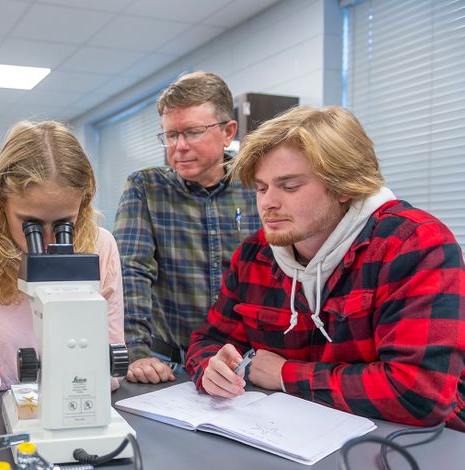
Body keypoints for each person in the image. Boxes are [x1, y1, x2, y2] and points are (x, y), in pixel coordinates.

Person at [186, 105, 464, 430]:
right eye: (261, 188)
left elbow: (419, 392)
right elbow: (208, 340)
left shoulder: (414, 243)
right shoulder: (254, 253)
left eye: (289, 187)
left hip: (415, 448)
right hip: (290, 436)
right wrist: (210, 367)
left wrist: (283, 374)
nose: (267, 202)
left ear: (344, 186)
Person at [0, 121, 124, 404]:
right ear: (1, 203)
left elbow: (112, 358)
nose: (47, 243)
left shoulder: (101, 247)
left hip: (81, 403)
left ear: (81, 207)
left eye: (64, 224)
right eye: (31, 224)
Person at [114, 71, 260, 385]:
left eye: (192, 132)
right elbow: (131, 271)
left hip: (247, 362)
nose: (179, 146)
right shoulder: (147, 188)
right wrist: (136, 352)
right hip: (171, 364)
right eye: (170, 135)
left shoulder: (257, 185)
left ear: (227, 131)